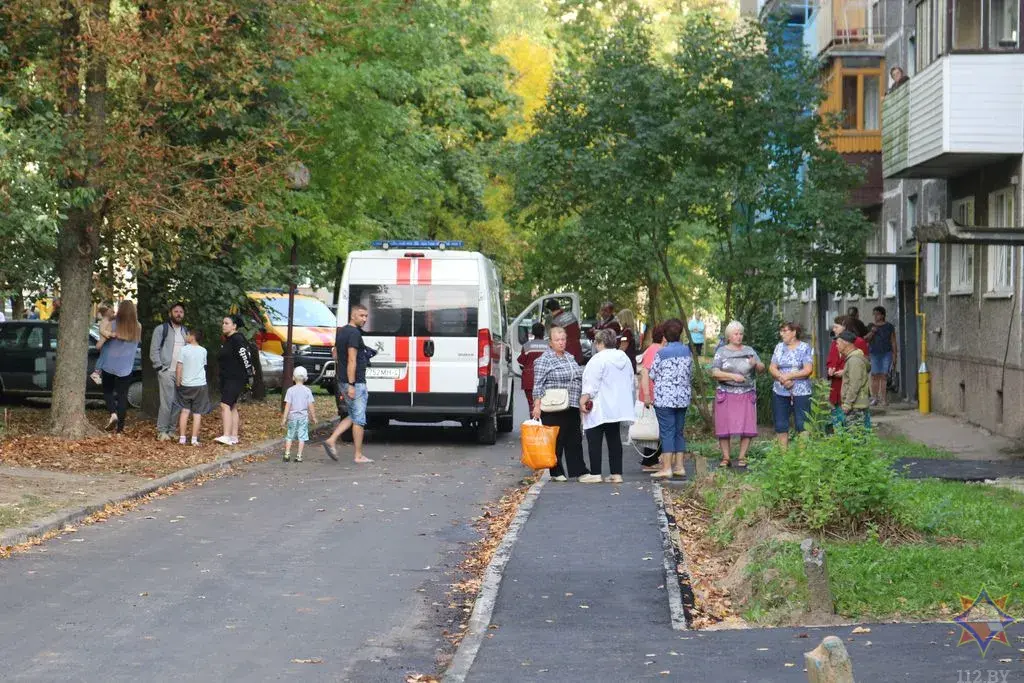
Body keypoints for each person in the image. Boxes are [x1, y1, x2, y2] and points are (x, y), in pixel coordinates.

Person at [531, 326, 588, 482]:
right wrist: (536, 406)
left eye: (563, 339)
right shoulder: (545, 359)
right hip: (553, 405)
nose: (561, 343)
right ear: (550, 342)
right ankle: (556, 471)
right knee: (556, 439)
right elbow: (538, 384)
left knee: (574, 438)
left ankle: (579, 471)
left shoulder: (569, 357)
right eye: (557, 340)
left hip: (571, 403)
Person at [580, 328, 636, 483]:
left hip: (600, 405)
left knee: (594, 438)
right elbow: (630, 379)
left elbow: (591, 384)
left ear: (600, 343)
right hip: (617, 406)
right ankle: (616, 473)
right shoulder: (623, 357)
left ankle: (596, 473)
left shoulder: (598, 359)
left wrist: (583, 400)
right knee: (614, 439)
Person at [324, 304, 374, 463]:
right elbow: (352, 360)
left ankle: (331, 440)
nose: (364, 319)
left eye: (366, 316)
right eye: (361, 316)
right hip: (355, 382)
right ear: (353, 316)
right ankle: (358, 456)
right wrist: (352, 384)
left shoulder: (342, 331)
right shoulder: (354, 333)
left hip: (343, 381)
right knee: (359, 419)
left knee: (353, 415)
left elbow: (335, 354)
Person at [710, 321, 764, 469]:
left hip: (746, 393)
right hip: (726, 393)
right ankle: (726, 457)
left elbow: (761, 369)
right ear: (728, 336)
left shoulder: (749, 350)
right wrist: (733, 377)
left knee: (747, 425)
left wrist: (756, 364)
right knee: (724, 426)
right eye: (735, 334)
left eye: (740, 333)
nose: (739, 336)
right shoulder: (721, 352)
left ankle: (742, 456)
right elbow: (714, 372)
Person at [646, 318, 693, 480]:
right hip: (682, 397)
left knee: (667, 432)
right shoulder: (687, 351)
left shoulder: (662, 353)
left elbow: (652, 374)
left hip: (665, 398)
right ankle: (679, 466)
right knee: (679, 431)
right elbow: (690, 372)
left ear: (665, 335)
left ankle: (666, 468)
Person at [97, 300, 142, 434]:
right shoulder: (138, 327)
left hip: (109, 365)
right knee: (122, 396)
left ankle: (113, 414)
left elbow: (100, 344)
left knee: (108, 391)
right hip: (126, 367)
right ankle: (120, 430)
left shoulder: (113, 324)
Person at [769, 321, 814, 449]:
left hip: (801, 391)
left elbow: (808, 370)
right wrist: (782, 379)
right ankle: (784, 458)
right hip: (780, 390)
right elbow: (772, 367)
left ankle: (802, 457)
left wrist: (789, 376)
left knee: (802, 423)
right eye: (781, 331)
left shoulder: (804, 347)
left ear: (794, 332)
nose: (781, 334)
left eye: (785, 331)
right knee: (781, 424)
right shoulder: (779, 347)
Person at [150, 302, 188, 441]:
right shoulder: (161, 329)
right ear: (170, 313)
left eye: (181, 312)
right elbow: (154, 350)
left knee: (178, 403)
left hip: (181, 373)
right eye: (176, 311)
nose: (178, 314)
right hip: (166, 371)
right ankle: (161, 431)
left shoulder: (186, 331)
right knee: (167, 402)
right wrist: (159, 367)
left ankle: (171, 430)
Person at [215, 314, 254, 445]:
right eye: (223, 323)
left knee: (225, 405)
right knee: (232, 406)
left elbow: (245, 356)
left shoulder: (237, 339)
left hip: (235, 378)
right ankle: (234, 436)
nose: (223, 325)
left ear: (234, 326)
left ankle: (226, 435)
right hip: (228, 377)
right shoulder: (229, 340)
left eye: (226, 323)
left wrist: (249, 374)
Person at [825, 316, 869, 423]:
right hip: (837, 387)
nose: (833, 329)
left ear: (845, 326)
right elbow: (830, 360)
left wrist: (845, 371)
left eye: (836, 327)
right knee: (838, 421)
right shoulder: (836, 342)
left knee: (853, 425)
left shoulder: (857, 343)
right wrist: (830, 368)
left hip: (852, 393)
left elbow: (861, 367)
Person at [174, 328, 212, 446]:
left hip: (186, 384)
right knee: (197, 413)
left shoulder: (184, 350)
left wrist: (178, 381)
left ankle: (182, 438)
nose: (186, 336)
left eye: (188, 334)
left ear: (192, 337)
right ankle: (194, 439)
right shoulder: (203, 351)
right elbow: (203, 366)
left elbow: (179, 367)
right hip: (200, 385)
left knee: (184, 411)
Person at [637, 323, 665, 470]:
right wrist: (647, 394)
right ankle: (650, 461)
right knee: (655, 427)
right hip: (652, 393)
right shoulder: (655, 350)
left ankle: (651, 460)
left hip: (652, 393)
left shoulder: (653, 349)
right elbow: (645, 372)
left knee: (655, 427)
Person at [282, 366, 318, 462]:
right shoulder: (307, 391)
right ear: (305, 379)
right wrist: (313, 417)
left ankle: (287, 454)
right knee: (302, 437)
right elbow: (311, 405)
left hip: (292, 417)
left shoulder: (290, 390)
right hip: (303, 417)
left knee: (289, 436)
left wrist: (284, 418)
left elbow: (287, 406)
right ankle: (299, 456)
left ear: (293, 378)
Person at [836, 331, 871, 429]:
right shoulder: (854, 358)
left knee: (854, 436)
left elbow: (855, 384)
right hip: (856, 404)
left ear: (845, 343)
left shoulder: (854, 360)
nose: (836, 346)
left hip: (856, 405)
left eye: (838, 343)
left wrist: (847, 403)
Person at [864, 306, 898, 407]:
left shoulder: (889, 326)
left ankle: (883, 398)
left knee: (883, 376)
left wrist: (895, 355)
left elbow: (893, 341)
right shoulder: (871, 326)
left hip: (886, 353)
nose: (875, 316)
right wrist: (872, 332)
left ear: (882, 315)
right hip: (874, 353)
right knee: (874, 376)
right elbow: (866, 339)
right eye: (874, 314)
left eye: (877, 314)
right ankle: (874, 398)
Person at [518, 322, 548, 413]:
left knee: (532, 405)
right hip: (545, 380)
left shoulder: (527, 346)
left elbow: (521, 361)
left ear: (533, 333)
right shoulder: (548, 346)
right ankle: (542, 425)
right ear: (543, 332)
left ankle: (534, 425)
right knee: (545, 405)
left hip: (529, 380)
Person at [544, 298, 584, 365]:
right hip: (577, 351)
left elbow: (555, 342)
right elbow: (578, 332)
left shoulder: (555, 323)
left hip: (566, 354)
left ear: (550, 310)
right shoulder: (571, 315)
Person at [90, 304, 116, 385]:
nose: (113, 312)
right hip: (105, 343)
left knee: (104, 358)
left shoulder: (107, 321)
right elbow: (102, 330)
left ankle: (98, 373)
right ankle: (96, 373)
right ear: (106, 313)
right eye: (111, 311)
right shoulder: (105, 321)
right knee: (103, 358)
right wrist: (110, 334)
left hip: (106, 343)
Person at [616, 308, 639, 373]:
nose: (618, 320)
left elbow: (623, 347)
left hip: (626, 363)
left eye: (620, 318)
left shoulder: (627, 332)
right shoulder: (624, 331)